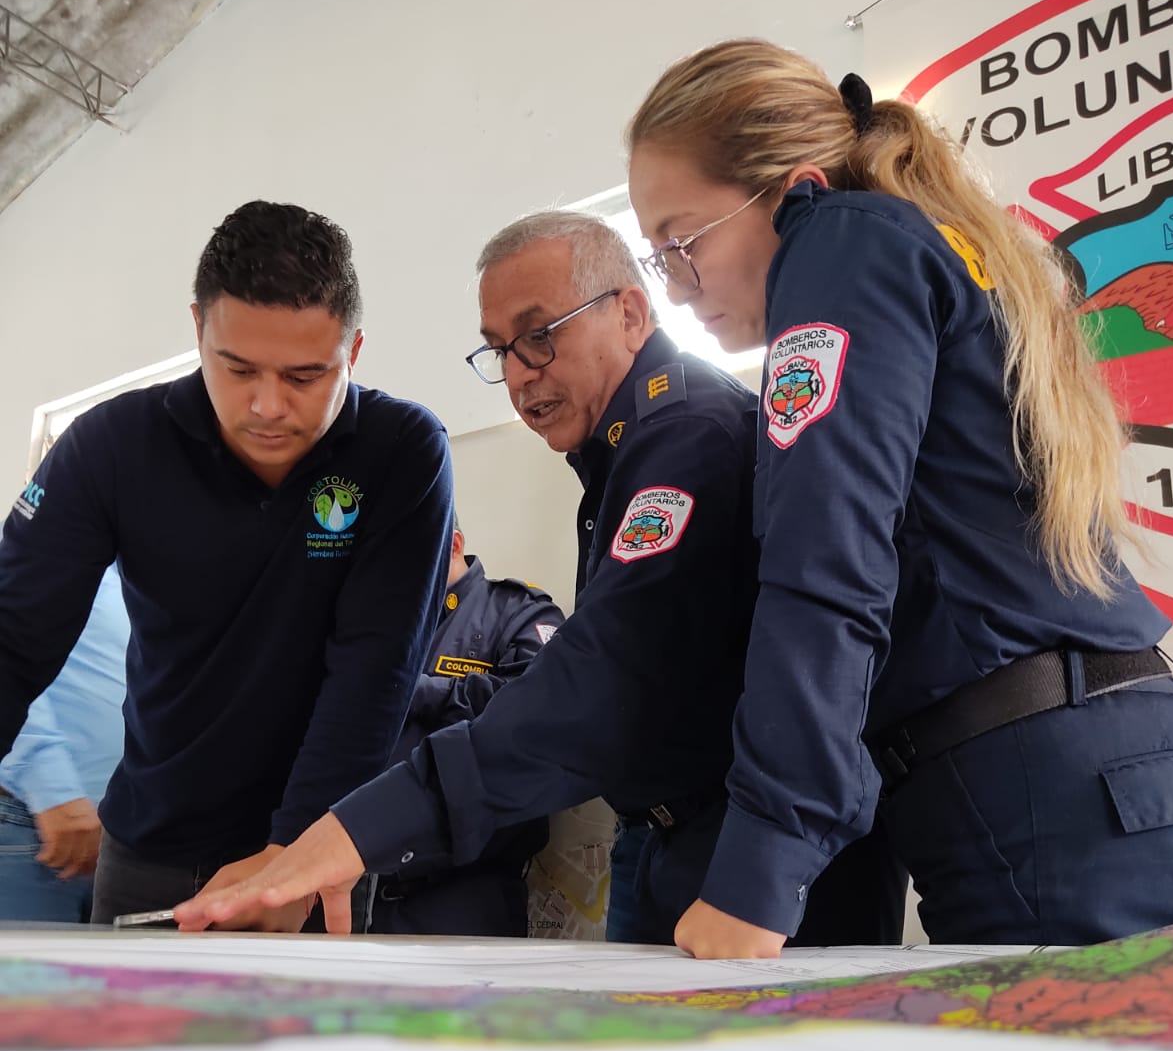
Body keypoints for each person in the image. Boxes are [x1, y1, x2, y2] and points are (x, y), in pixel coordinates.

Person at [615, 36, 1173, 956]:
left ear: (790, 185)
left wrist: (762, 865)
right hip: (1106, 766)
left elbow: (828, 556)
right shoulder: (919, 244)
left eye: (682, 241)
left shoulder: (838, 242)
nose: (679, 289)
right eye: (658, 258)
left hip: (1044, 784)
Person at [176, 212, 906, 941]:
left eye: (539, 335)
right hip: (664, 835)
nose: (521, 373)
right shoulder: (624, 456)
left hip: (748, 854)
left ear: (629, 311)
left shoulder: (687, 439)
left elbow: (594, 689)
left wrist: (346, 836)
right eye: (500, 350)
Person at [0, 200, 453, 926]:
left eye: (306, 376)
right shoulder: (113, 447)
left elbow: (375, 667)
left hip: (318, 841)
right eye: (237, 368)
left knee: (302, 1039)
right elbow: (16, 638)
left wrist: (296, 849)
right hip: (151, 844)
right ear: (198, 330)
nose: (267, 406)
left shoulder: (402, 451)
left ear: (355, 352)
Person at [370, 514, 564, 935]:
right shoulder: (374, 625)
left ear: (453, 544)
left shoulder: (516, 612)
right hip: (355, 890)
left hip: (461, 898)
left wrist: (417, 691)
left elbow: (538, 705)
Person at [0, 565, 128, 923]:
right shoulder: (34, 547)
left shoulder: (138, 573)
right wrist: (53, 791)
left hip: (129, 842)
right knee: (24, 979)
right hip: (33, 825)